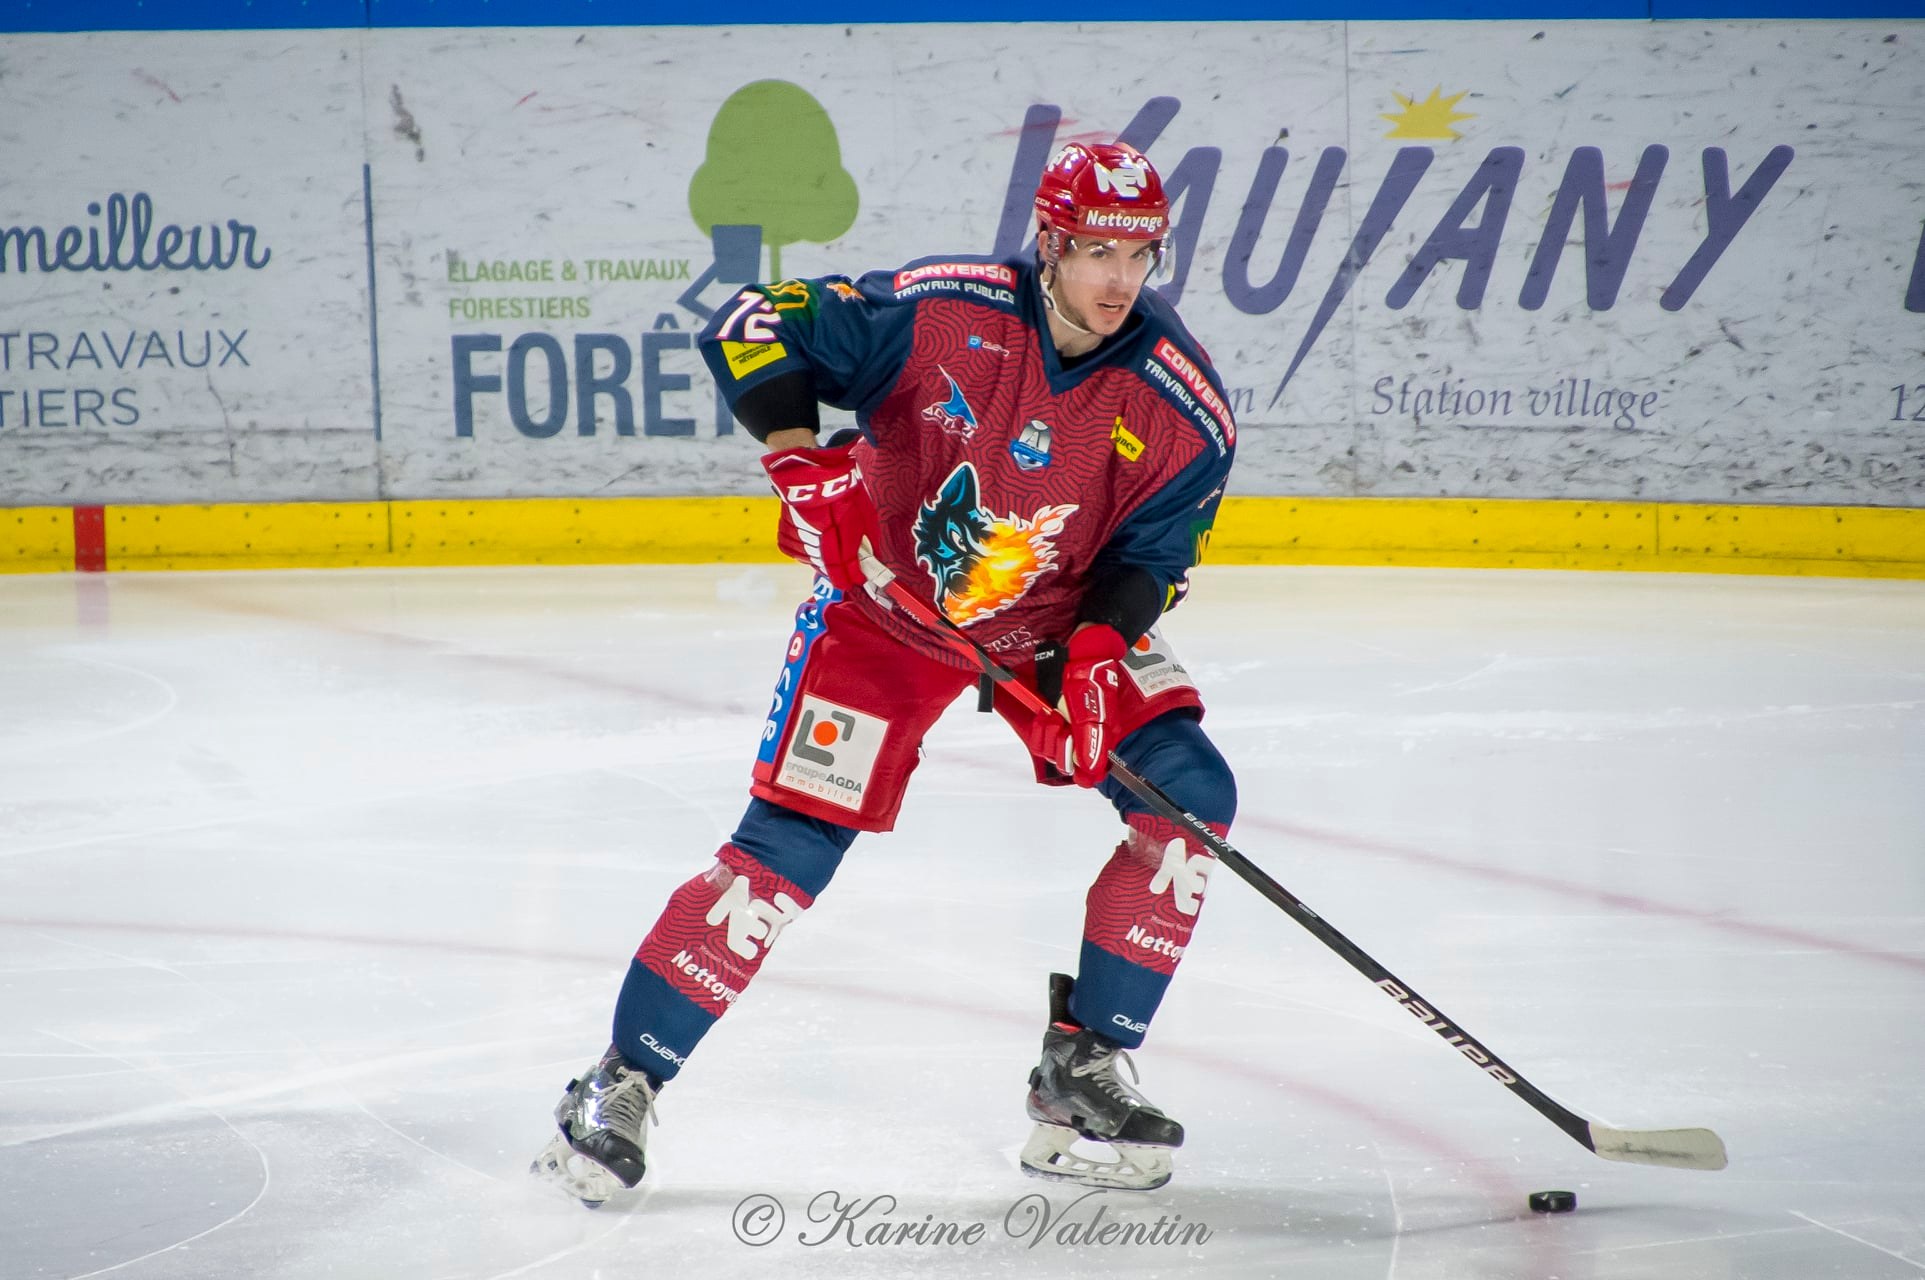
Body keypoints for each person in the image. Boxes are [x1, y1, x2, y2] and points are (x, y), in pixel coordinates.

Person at [530, 141, 1239, 1206]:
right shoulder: (942, 312)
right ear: (1047, 242)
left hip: (1047, 624)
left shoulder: (1182, 407)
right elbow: (746, 323)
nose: (1116, 282)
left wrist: (1092, 657)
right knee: (787, 852)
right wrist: (795, 457)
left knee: (1190, 793)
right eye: (1093, 250)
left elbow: (1151, 560)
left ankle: (1080, 1064)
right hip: (883, 604)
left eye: (1138, 255)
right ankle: (621, 1077)